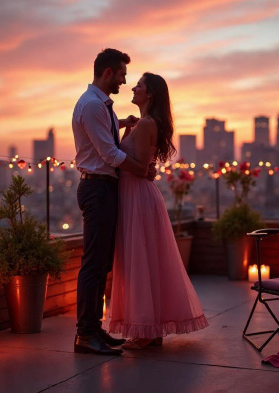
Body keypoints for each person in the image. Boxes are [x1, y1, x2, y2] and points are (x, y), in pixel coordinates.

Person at [108, 72, 208, 349]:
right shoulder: (143, 123)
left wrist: (114, 160)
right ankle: (151, 327)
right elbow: (143, 164)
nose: (133, 88)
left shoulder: (146, 124)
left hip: (136, 195)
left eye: (138, 85)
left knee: (138, 260)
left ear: (149, 93)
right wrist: (126, 127)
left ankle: (144, 331)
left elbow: (139, 166)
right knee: (146, 260)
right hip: (138, 195)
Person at [72, 48, 150, 356]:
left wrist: (121, 122)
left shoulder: (100, 106)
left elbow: (104, 135)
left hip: (104, 188)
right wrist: (142, 169)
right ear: (108, 73)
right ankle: (85, 334)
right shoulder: (92, 105)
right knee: (93, 264)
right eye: (121, 75)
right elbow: (110, 154)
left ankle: (94, 330)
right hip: (98, 189)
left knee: (102, 263)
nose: (124, 81)